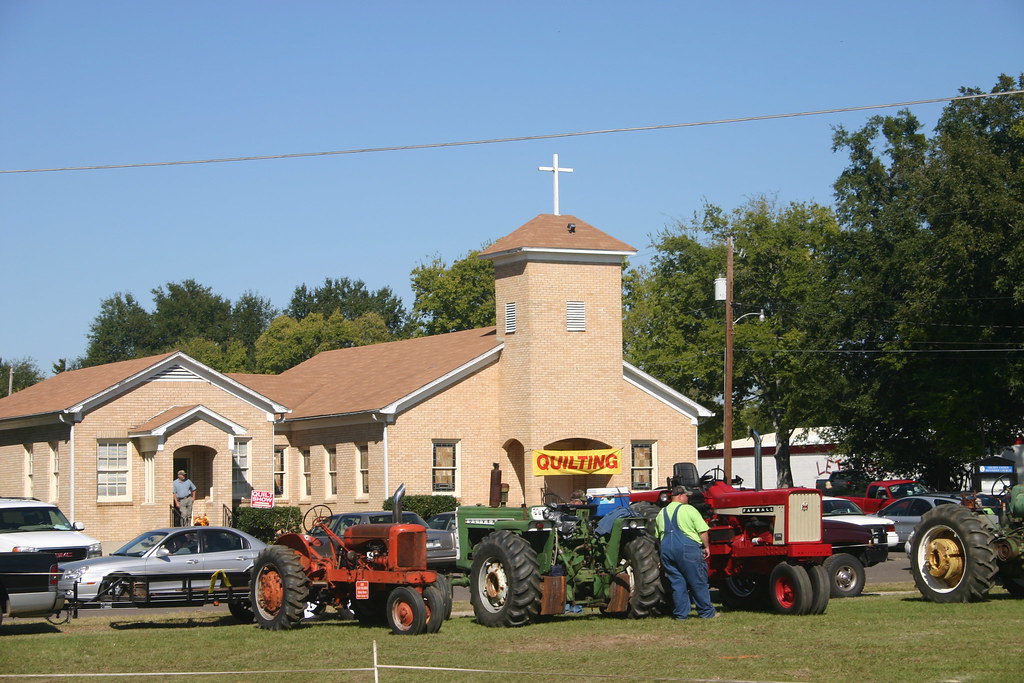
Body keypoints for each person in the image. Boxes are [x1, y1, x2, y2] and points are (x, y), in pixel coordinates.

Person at [655, 485, 717, 620]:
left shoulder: (662, 512)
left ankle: (681, 614)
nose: (688, 498)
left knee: (677, 583)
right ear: (680, 496)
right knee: (698, 581)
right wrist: (706, 546)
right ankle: (706, 612)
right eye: (686, 496)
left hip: (666, 550)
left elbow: (658, 534)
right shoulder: (689, 509)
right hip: (688, 549)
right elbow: (702, 530)